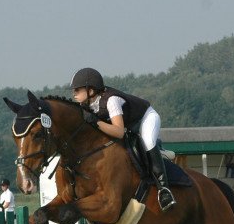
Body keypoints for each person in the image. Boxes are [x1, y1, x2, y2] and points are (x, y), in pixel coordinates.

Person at [70, 67, 176, 211]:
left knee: (148, 141)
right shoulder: (86, 105)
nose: (74, 94)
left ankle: (164, 190)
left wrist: (96, 123)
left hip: (145, 118)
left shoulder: (111, 101)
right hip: (129, 125)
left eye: (77, 90)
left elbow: (119, 132)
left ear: (90, 91)